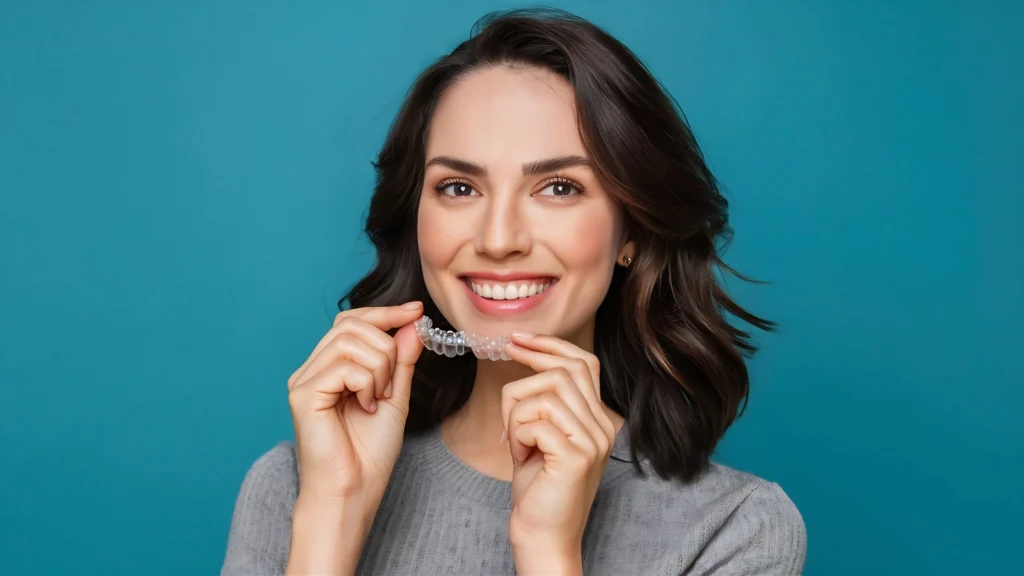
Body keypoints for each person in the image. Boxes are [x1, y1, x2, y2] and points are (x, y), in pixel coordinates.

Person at [222, 8, 806, 576]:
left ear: (632, 229)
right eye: (457, 187)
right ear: (416, 216)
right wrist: (333, 518)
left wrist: (546, 550)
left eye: (557, 187)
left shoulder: (734, 529)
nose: (499, 239)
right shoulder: (296, 487)